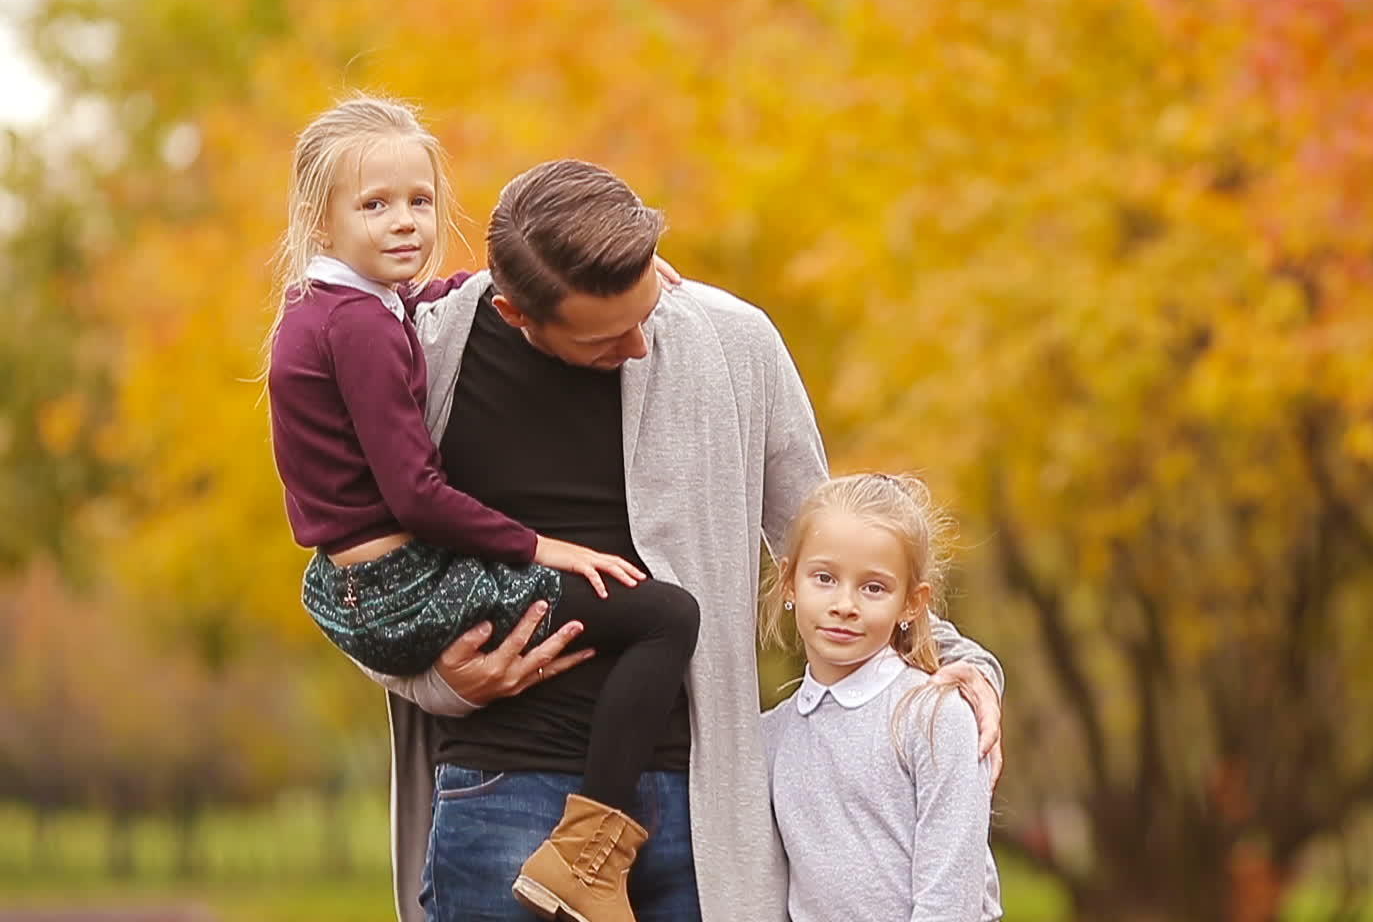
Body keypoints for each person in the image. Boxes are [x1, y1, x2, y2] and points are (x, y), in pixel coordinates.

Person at [351, 156, 1005, 922]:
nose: (637, 344)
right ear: (516, 316)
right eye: (604, 338)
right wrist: (433, 683)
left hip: (698, 802)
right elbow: (358, 571)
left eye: (646, 309)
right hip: (507, 789)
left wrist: (960, 662)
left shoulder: (736, 342)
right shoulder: (423, 358)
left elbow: (832, 541)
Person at [265, 96, 702, 922]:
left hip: (361, 581)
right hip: (405, 582)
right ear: (320, 223)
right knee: (666, 616)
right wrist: (544, 547)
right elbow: (414, 495)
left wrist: (590, 277)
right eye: (375, 205)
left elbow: (440, 293)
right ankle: (590, 858)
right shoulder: (359, 328)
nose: (405, 223)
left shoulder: (338, 308)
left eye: (419, 201)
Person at [760, 473, 1002, 922]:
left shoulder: (933, 716)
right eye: (825, 578)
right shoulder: (771, 736)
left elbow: (952, 896)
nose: (845, 604)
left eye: (874, 587)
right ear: (789, 582)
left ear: (912, 603)